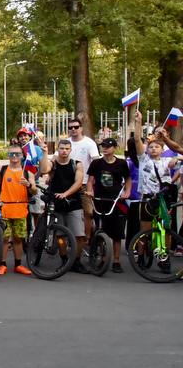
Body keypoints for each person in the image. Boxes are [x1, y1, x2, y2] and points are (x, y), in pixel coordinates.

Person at [85, 136, 132, 273]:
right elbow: (90, 180)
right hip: (99, 200)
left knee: (117, 233)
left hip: (115, 201)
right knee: (100, 229)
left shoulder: (121, 163)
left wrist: (127, 192)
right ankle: (102, 257)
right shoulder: (96, 163)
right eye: (103, 146)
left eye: (108, 146)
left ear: (114, 148)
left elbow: (128, 179)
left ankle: (116, 261)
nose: (104, 148)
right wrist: (89, 191)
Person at [43, 138, 87, 269]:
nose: (64, 151)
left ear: (71, 150)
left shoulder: (77, 164)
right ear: (58, 149)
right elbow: (45, 169)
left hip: (74, 203)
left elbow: (78, 182)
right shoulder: (53, 163)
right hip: (56, 203)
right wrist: (45, 153)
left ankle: (77, 261)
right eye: (62, 148)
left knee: (79, 235)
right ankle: (64, 260)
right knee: (60, 235)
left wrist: (66, 194)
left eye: (67, 149)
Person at [0, 145, 34, 276]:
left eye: (17, 154)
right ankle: (2, 264)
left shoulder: (28, 172)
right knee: (5, 239)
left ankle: (18, 265)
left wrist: (29, 185)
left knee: (18, 239)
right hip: (5, 209)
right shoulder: (3, 169)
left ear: (22, 156)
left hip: (21, 209)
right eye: (11, 154)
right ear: (8, 156)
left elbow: (34, 190)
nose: (14, 157)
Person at [65, 116, 99, 244]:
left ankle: (87, 237)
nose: (73, 129)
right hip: (68, 184)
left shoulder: (89, 143)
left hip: (85, 183)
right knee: (69, 212)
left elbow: (95, 161)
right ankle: (71, 237)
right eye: (70, 127)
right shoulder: (66, 143)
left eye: (76, 127)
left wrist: (93, 179)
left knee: (88, 212)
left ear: (81, 128)